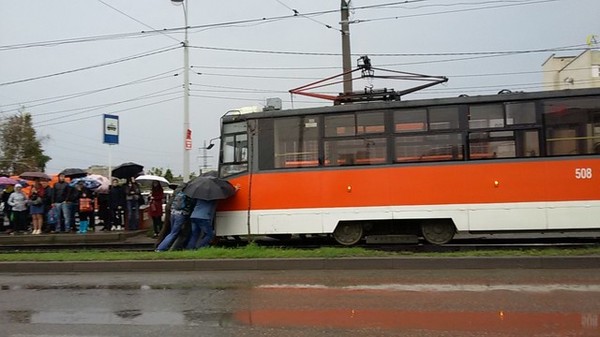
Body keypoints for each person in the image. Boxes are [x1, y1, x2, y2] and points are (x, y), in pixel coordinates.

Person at [155, 183, 195, 252]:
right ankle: (161, 248)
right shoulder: (188, 196)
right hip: (180, 215)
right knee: (175, 233)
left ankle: (160, 246)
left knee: (172, 232)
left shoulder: (178, 193)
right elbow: (189, 207)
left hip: (173, 213)